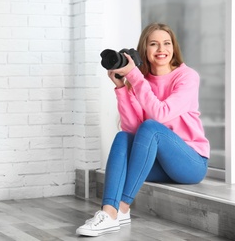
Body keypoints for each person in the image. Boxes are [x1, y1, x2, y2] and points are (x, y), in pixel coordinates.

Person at [76, 22, 210, 237]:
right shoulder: (142, 81)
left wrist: (135, 77)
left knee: (152, 127)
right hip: (158, 166)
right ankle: (109, 212)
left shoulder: (186, 77)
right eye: (154, 44)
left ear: (174, 48)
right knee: (123, 137)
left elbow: (160, 115)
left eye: (166, 44)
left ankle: (123, 206)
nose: (161, 50)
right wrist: (122, 88)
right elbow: (132, 128)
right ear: (144, 50)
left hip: (190, 164)